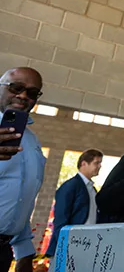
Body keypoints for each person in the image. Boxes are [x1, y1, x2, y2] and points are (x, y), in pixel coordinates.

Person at [0, 67, 46, 272]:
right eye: (16, 87)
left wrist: (24, 251)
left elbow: (22, 199)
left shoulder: (32, 141)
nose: (23, 96)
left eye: (32, 93)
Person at [45, 149, 103, 257]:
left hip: (85, 244)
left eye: (100, 163)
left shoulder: (92, 189)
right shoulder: (70, 186)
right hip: (69, 245)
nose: (100, 166)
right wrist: (64, 244)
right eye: (96, 163)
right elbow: (61, 219)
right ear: (83, 163)